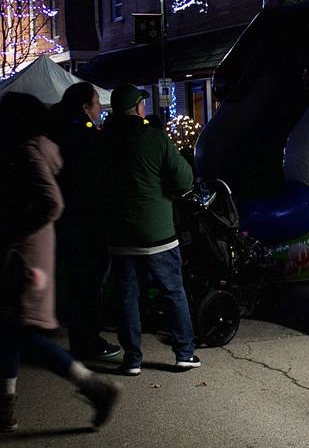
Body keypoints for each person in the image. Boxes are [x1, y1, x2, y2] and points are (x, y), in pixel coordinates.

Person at [0, 92, 120, 432]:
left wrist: (14, 231)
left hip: (25, 258)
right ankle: (5, 407)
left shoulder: (26, 151)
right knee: (12, 331)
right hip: (29, 253)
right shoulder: (34, 149)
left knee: (21, 332)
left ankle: (95, 386)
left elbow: (51, 203)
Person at [102, 83, 199, 375]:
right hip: (157, 232)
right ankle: (184, 353)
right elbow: (184, 179)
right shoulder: (155, 138)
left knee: (126, 296)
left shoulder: (103, 141)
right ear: (138, 108)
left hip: (119, 233)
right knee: (173, 291)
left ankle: (132, 359)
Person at [49, 82, 121, 360]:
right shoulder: (85, 137)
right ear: (84, 106)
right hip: (87, 221)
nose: (100, 107)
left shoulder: (58, 132)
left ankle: (82, 336)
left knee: (79, 281)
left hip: (67, 221)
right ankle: (88, 340)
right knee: (89, 283)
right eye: (96, 102)